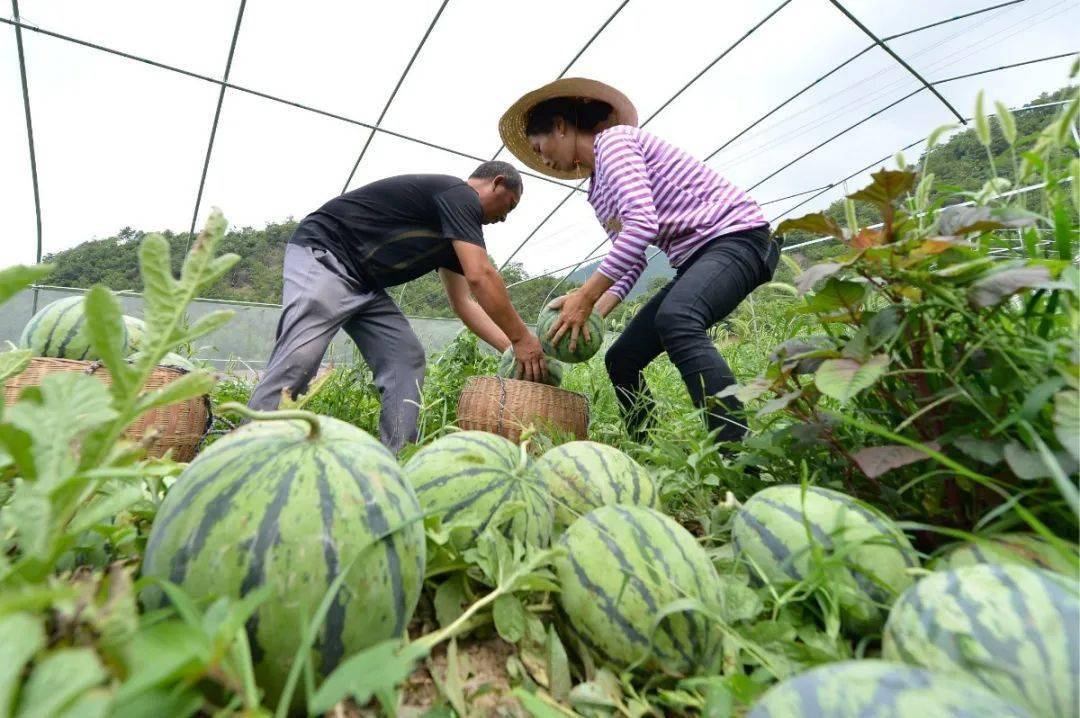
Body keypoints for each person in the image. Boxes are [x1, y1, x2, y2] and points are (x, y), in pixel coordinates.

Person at [499, 79, 780, 444]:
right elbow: (631, 259)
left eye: (539, 147)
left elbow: (642, 226)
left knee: (677, 318)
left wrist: (584, 297)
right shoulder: (597, 191)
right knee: (622, 358)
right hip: (696, 259)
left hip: (737, 238)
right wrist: (593, 313)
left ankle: (734, 454)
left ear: (561, 126)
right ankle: (645, 446)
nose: (542, 159)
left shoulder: (615, 142)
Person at [248, 161, 547, 452]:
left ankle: (399, 456)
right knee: (302, 355)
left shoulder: (456, 231)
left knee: (406, 356)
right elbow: (481, 275)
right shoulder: (458, 194)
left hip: (365, 284)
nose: (505, 218)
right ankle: (249, 447)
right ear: (496, 183)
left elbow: (464, 303)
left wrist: (514, 352)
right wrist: (522, 338)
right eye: (509, 205)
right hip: (327, 256)